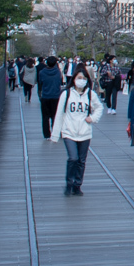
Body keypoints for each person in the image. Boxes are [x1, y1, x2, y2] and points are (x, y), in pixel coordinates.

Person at [51, 64, 104, 195]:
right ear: (74, 79)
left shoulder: (90, 95)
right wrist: (55, 134)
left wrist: (92, 118)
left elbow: (99, 107)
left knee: (81, 160)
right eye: (79, 77)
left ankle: (77, 184)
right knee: (73, 158)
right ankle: (69, 183)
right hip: (69, 131)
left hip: (85, 132)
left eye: (84, 78)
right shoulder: (67, 94)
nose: (82, 80)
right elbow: (59, 114)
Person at [37, 56, 64, 139]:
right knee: (55, 115)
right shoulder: (58, 72)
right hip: (56, 96)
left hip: (45, 96)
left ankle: (46, 134)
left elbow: (40, 82)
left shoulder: (42, 72)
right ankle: (55, 131)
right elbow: (60, 81)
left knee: (45, 117)